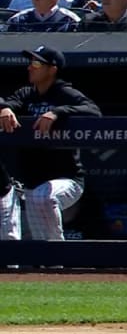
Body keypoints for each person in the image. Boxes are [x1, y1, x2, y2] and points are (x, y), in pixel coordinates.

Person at [0, 46, 101, 242]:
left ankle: (58, 255)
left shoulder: (64, 92)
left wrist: (57, 112)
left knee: (43, 197)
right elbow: (10, 102)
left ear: (52, 69)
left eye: (36, 63)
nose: (30, 67)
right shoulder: (26, 93)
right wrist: (4, 108)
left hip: (67, 179)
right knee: (41, 240)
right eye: (30, 63)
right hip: (31, 181)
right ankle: (52, 268)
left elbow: (93, 110)